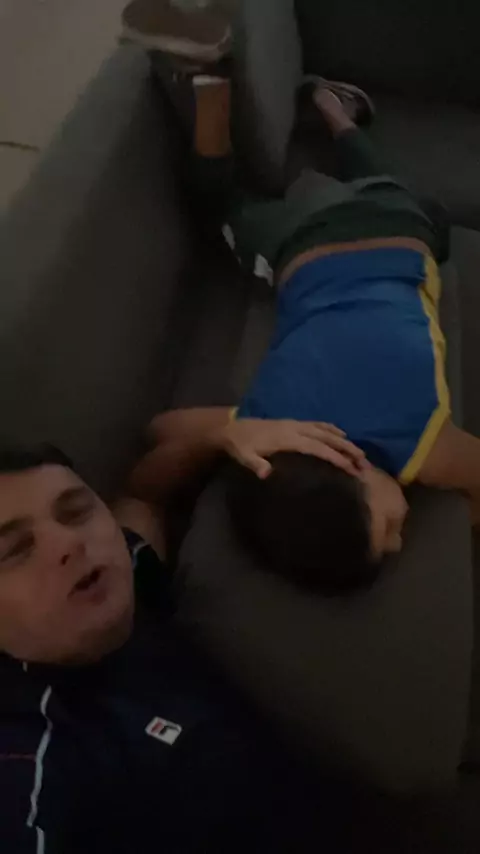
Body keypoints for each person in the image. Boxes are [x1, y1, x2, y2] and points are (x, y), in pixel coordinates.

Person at [130, 64, 480, 593]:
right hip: (303, 241)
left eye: (387, 527)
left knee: (399, 194)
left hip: (397, 227)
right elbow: (160, 430)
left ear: (354, 465)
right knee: (228, 206)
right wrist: (228, 434)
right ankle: (279, 101)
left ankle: (333, 113)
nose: (401, 541)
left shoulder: (420, 443)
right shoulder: (269, 424)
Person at [0, 439, 361, 853]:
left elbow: (144, 495)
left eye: (76, 511)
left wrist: (230, 434)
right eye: (14, 551)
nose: (69, 542)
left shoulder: (127, 577)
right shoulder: (27, 761)